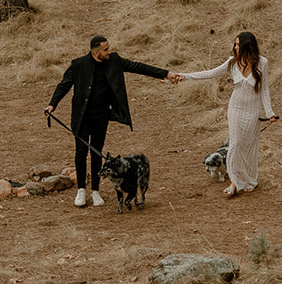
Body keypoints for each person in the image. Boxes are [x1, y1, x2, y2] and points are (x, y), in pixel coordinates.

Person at [46, 36, 182, 207]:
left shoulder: (114, 61)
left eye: (109, 48)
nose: (109, 51)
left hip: (101, 115)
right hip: (81, 116)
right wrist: (52, 105)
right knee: (81, 152)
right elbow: (64, 85)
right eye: (105, 49)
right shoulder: (79, 65)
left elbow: (138, 67)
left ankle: (95, 191)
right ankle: (81, 190)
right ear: (96, 52)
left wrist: (166, 74)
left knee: (96, 152)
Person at [179, 31, 278, 197]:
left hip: (254, 110)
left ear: (248, 46)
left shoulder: (262, 63)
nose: (235, 47)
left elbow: (264, 90)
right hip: (236, 107)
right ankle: (234, 182)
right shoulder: (232, 63)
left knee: (250, 146)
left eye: (239, 45)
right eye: (235, 44)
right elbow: (209, 73)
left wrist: (270, 113)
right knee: (236, 144)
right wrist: (183, 76)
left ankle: (250, 180)